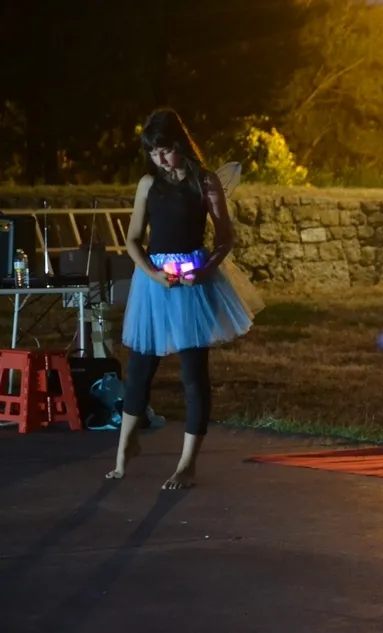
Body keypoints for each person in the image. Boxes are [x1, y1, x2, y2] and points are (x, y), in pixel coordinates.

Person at [105, 108, 260, 490]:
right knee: (140, 369)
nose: (159, 159)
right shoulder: (147, 184)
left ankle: (187, 464)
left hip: (193, 279)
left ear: (180, 145)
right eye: (152, 152)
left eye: (165, 150)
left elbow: (225, 237)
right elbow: (132, 239)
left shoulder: (204, 181)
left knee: (193, 375)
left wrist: (206, 269)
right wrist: (152, 273)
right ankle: (125, 449)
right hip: (154, 283)